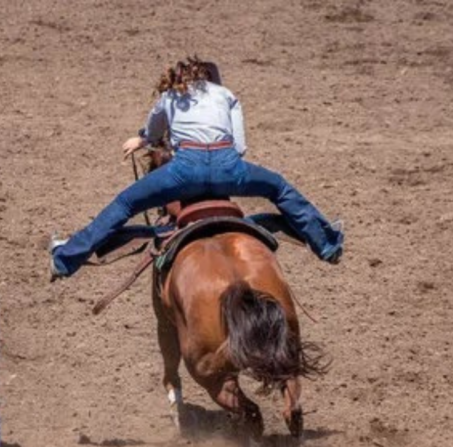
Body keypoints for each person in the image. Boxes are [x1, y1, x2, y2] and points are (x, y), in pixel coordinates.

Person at [49, 56, 344, 281]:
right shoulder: (227, 95)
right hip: (229, 168)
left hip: (184, 172)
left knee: (125, 203)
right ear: (212, 79)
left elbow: (153, 133)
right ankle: (327, 245)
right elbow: (240, 146)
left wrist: (141, 139)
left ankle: (66, 258)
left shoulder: (168, 97)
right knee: (278, 188)